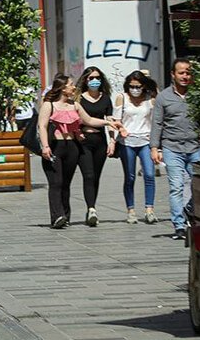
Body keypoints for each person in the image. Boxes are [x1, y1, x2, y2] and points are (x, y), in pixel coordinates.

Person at [38, 74, 123, 229]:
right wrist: (45, 146)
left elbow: (89, 120)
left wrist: (109, 123)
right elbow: (42, 126)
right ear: (63, 88)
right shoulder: (48, 105)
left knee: (66, 183)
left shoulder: (75, 105)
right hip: (55, 146)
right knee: (56, 182)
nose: (74, 87)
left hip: (72, 147)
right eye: (70, 85)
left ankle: (66, 216)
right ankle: (57, 216)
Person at [151, 58, 200, 241]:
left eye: (188, 72)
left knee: (197, 187)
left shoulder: (198, 96)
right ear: (173, 74)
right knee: (176, 187)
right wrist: (154, 147)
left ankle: (193, 216)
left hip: (196, 147)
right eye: (181, 73)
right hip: (172, 148)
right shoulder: (163, 97)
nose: (185, 76)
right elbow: (157, 123)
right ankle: (179, 225)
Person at [112, 70, 159, 224]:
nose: (135, 89)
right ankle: (131, 210)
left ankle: (149, 210)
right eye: (132, 86)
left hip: (145, 141)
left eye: (138, 86)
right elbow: (116, 120)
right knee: (130, 177)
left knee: (150, 175)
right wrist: (120, 130)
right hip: (127, 142)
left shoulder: (150, 99)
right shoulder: (122, 98)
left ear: (143, 86)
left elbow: (157, 118)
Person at [74, 67, 114, 226]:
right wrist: (77, 132)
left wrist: (112, 141)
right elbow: (73, 118)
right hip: (83, 140)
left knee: (96, 176)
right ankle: (91, 209)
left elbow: (110, 120)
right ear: (85, 80)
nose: (94, 81)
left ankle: (92, 206)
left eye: (97, 77)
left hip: (100, 140)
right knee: (88, 175)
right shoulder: (78, 98)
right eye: (91, 78)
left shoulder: (106, 99)